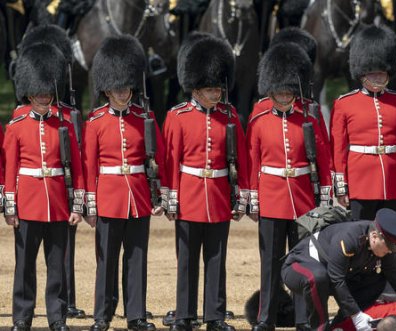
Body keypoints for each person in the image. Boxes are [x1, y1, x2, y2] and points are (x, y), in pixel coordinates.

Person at [163, 33, 248, 331]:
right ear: (196, 89)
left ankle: (215, 316)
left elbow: (242, 160)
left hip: (219, 196)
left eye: (218, 88)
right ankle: (185, 316)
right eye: (210, 89)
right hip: (189, 195)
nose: (216, 94)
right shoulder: (178, 117)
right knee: (186, 261)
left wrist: (241, 196)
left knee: (216, 260)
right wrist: (171, 196)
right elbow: (171, 160)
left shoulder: (230, 116)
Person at [247, 41, 333, 331]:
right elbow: (252, 161)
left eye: (288, 92)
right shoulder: (259, 118)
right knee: (270, 263)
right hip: (271, 198)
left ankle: (302, 318)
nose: (284, 96)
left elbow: (323, 156)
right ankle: (265, 318)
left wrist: (325, 193)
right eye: (279, 92)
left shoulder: (308, 115)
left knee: (302, 263)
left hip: (303, 199)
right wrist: (253, 198)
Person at [83, 35, 166, 331]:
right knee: (106, 262)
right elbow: (90, 165)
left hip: (139, 197)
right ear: (106, 89)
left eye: (126, 86)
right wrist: (90, 203)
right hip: (107, 197)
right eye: (117, 87)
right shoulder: (95, 122)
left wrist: (160, 196)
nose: (122, 92)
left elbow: (160, 159)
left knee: (136, 259)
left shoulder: (145, 118)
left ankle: (136, 315)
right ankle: (102, 316)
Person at [5, 42, 85, 331]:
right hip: (27, 203)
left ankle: (57, 316)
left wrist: (77, 204)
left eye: (47, 92)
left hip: (58, 203)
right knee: (24, 266)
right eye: (38, 93)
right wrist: (10, 207)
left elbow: (76, 166)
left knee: (57, 268)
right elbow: (11, 168)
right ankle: (22, 317)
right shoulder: (16, 126)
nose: (43, 97)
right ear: (29, 92)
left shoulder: (64, 123)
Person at [281, 208, 396, 331]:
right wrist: (356, 315)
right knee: (318, 277)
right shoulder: (349, 238)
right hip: (299, 266)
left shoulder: (381, 246)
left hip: (332, 276)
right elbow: (337, 279)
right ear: (374, 236)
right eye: (388, 246)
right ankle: (320, 328)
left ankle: (340, 325)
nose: (390, 251)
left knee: (376, 280)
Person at [329, 24, 396, 221]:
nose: (377, 77)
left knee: (392, 239)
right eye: (372, 74)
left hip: (393, 180)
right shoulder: (344, 104)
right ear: (362, 73)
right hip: (360, 181)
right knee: (360, 239)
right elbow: (338, 149)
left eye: (381, 73)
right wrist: (341, 185)